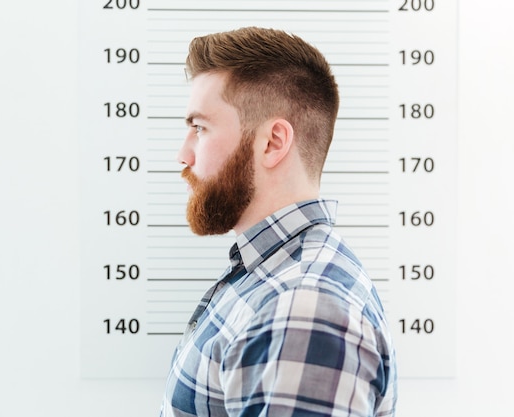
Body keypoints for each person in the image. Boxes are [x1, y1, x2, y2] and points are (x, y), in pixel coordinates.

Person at [160, 27, 397, 417]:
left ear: (272, 142)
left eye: (200, 128)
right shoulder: (270, 277)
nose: (183, 155)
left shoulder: (302, 308)